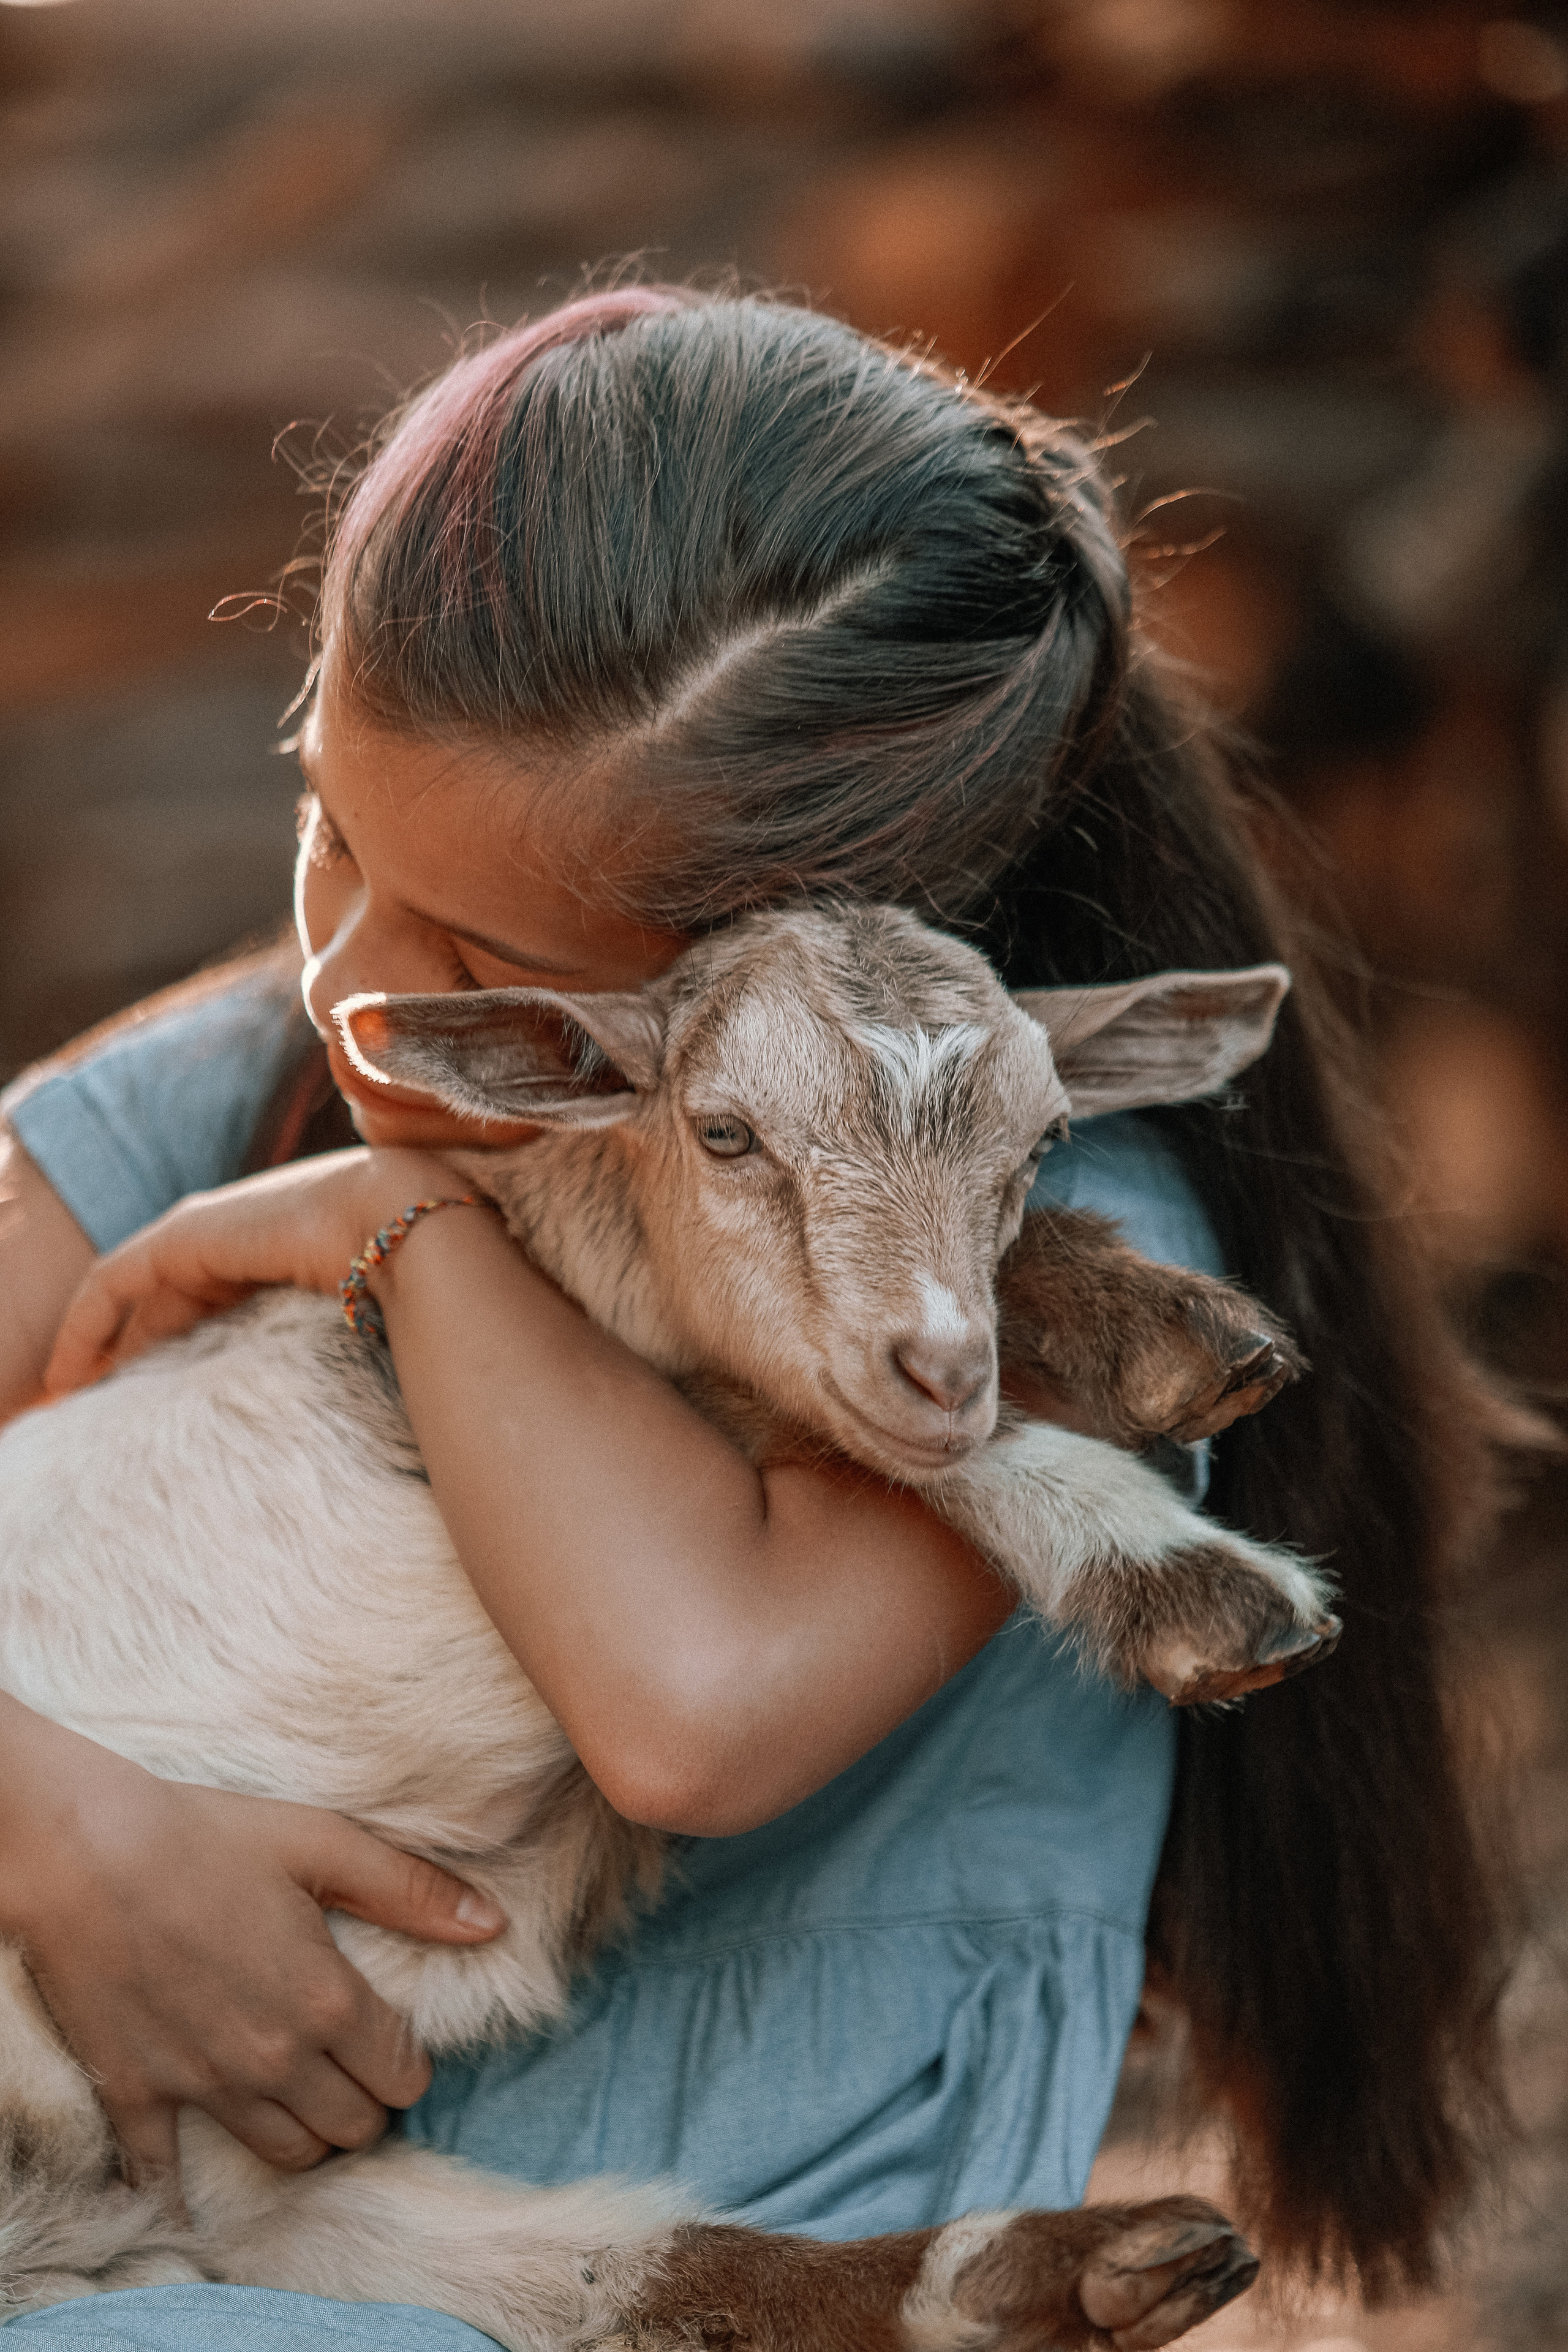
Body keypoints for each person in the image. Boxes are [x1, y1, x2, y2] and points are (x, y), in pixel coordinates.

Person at [0, 287, 1515, 2346]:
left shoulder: (1030, 1241)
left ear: (801, 960)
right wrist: (57, 1823)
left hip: (617, 2230)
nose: (359, 980)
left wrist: (391, 1213)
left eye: (473, 943)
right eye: (323, 826)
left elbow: (689, 1704)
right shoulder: (267, 1061)